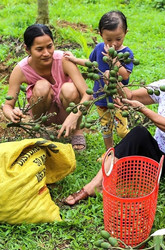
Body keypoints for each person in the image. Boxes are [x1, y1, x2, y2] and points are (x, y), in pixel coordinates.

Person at [64, 40, 165, 247]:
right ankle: (94, 185)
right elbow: (130, 95)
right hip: (163, 158)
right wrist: (113, 76)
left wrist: (143, 110)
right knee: (137, 133)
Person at [2, 24, 92, 151]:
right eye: (39, 49)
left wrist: (74, 116)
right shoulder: (21, 70)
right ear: (27, 49)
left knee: (69, 89)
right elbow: (7, 105)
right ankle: (40, 129)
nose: (46, 53)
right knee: (42, 86)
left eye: (50, 46)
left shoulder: (63, 60)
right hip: (43, 113)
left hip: (68, 110)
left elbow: (87, 94)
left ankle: (77, 131)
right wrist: (11, 114)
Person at [64, 10, 134, 150]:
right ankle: (109, 152)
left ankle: (129, 148)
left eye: (118, 39)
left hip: (118, 99)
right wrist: (74, 59)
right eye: (108, 40)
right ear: (100, 34)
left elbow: (125, 75)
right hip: (101, 97)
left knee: (121, 131)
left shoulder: (126, 53)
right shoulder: (98, 48)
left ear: (126, 32)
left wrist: (113, 59)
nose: (113, 44)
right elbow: (90, 63)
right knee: (106, 128)